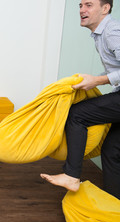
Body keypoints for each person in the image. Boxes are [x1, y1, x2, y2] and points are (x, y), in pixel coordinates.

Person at [41, 0, 120, 200]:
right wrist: (93, 79)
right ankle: (114, 208)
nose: (82, 10)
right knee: (111, 152)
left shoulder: (112, 32)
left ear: (105, 8)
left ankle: (71, 175)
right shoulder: (101, 34)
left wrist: (98, 80)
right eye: (80, 5)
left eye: (89, 5)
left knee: (77, 114)